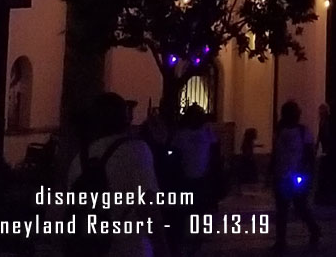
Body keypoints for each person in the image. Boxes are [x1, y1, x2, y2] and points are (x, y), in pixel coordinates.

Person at [67, 93, 161, 257]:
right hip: (130, 248)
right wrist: (163, 249)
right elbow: (148, 207)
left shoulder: (79, 160)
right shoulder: (137, 151)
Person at [167, 104, 221, 253]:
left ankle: (195, 243)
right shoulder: (181, 134)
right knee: (186, 211)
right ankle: (185, 241)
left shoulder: (207, 132)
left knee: (199, 211)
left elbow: (214, 150)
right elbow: (175, 154)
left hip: (201, 179)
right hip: (185, 179)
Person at [270, 101, 320, 252]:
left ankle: (314, 229)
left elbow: (309, 155)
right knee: (283, 209)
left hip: (296, 175)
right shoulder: (281, 131)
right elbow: (276, 153)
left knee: (299, 207)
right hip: (283, 174)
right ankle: (281, 240)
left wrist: (308, 173)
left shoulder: (303, 132)